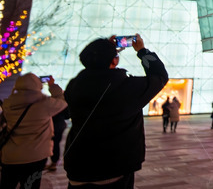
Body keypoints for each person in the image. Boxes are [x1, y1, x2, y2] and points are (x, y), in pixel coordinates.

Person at [64, 34, 168, 189]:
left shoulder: (74, 86)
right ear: (114, 60)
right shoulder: (126, 87)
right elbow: (159, 75)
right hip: (114, 167)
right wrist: (141, 50)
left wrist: (108, 51)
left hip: (78, 165)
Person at [0, 74, 68, 189]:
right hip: (35, 156)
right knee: (31, 185)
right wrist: (52, 85)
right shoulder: (46, 104)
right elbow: (62, 101)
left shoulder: (8, 104)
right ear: (38, 85)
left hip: (10, 155)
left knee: (7, 185)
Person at [45, 104, 70, 171]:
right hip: (60, 125)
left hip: (48, 125)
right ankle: (54, 162)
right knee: (56, 143)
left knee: (46, 144)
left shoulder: (45, 101)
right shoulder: (61, 103)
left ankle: (47, 162)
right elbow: (67, 116)